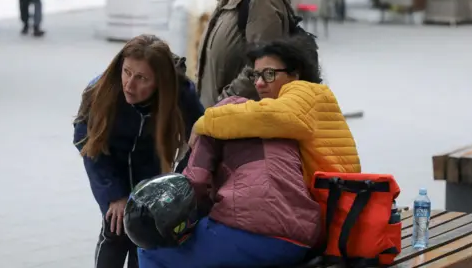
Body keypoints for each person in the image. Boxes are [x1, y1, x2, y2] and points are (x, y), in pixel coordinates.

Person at [138, 98, 321, 268]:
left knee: (150, 250)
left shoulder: (213, 122)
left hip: (248, 232)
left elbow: (194, 185)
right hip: (301, 239)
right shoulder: (281, 127)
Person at [73, 34, 205, 268]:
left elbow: (201, 140)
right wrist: (113, 195)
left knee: (147, 239)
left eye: (141, 78)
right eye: (126, 72)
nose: (129, 84)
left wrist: (179, 184)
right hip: (111, 167)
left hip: (152, 174)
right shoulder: (100, 90)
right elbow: (87, 144)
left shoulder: (179, 92)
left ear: (160, 81)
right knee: (114, 230)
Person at [194, 37, 361, 185]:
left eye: (269, 74)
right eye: (256, 75)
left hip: (335, 205)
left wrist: (205, 122)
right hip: (333, 198)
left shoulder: (305, 91)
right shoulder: (302, 98)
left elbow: (267, 115)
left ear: (295, 74)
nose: (259, 83)